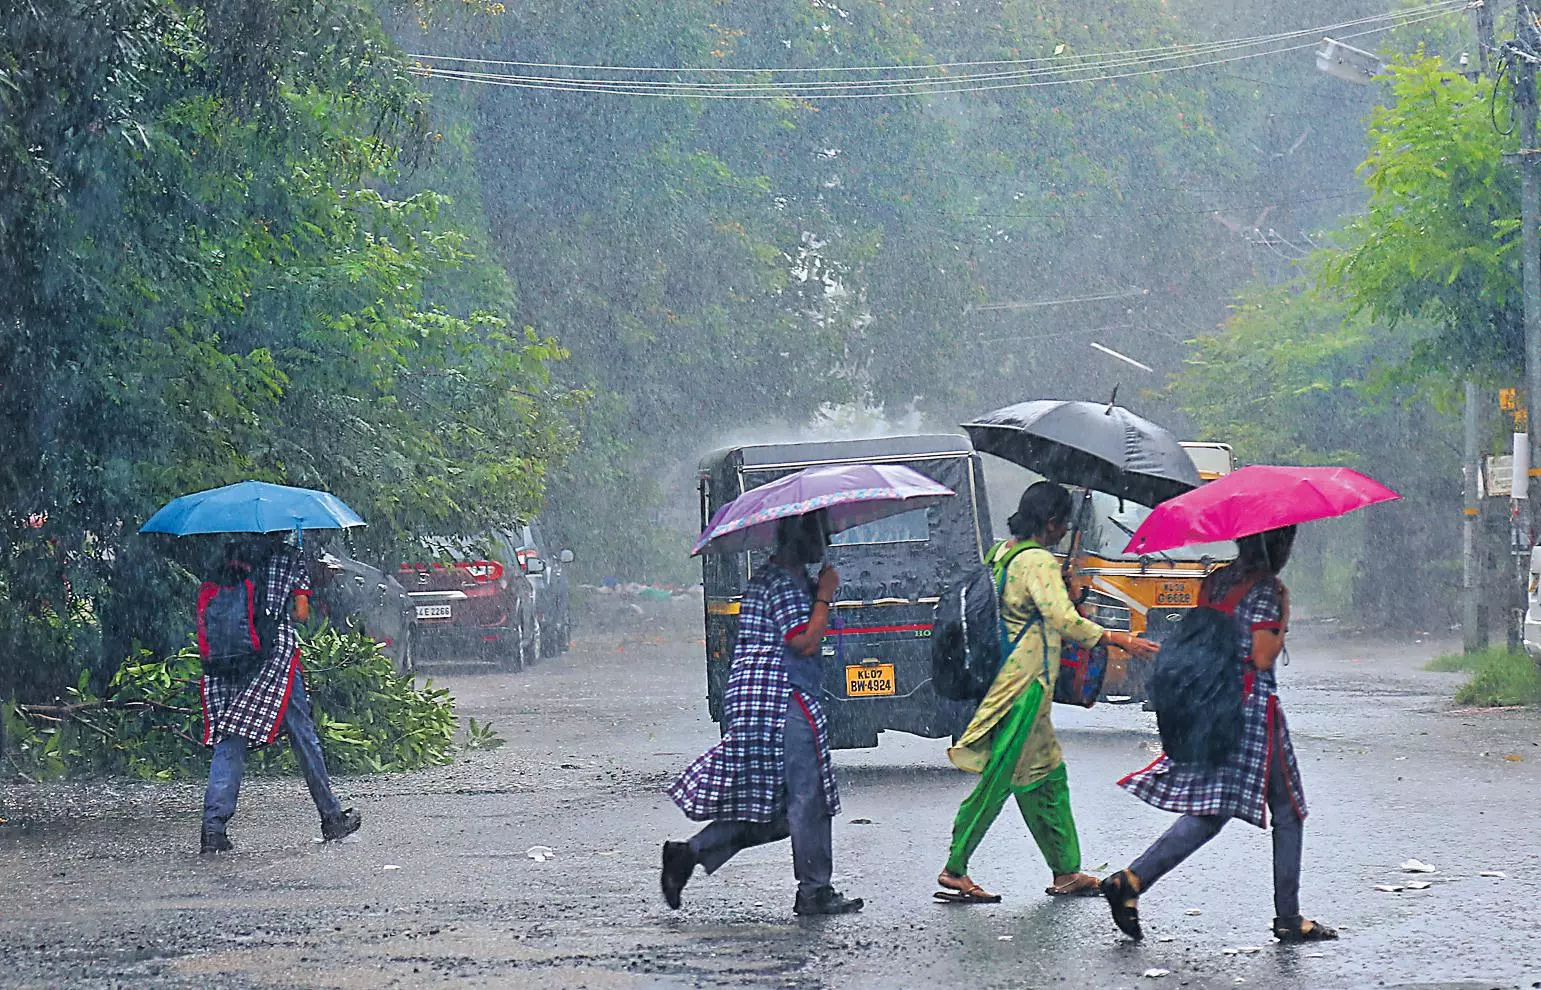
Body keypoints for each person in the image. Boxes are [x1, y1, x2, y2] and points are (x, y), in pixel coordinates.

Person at [1101, 525, 1337, 942]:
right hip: (1251, 708)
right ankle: (1288, 917)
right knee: (1286, 810)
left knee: (1218, 810)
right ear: (1278, 545)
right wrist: (1282, 615)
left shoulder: (1217, 580)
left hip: (1215, 703)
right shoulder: (1267, 590)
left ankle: (1133, 881)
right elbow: (1263, 657)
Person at [937, 482, 1158, 903]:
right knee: (1000, 778)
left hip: (1014, 679)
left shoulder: (1005, 552)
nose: (1063, 532)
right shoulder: (1037, 560)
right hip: (1022, 685)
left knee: (1047, 776)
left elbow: (1032, 607)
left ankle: (1066, 870)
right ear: (1052, 522)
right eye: (1062, 523)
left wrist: (1069, 591)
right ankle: (955, 867)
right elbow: (1064, 621)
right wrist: (1120, 639)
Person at [661, 512, 863, 916]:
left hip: (761, 702)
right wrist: (824, 594)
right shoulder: (784, 584)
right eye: (818, 534)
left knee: (776, 810)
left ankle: (690, 853)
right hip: (780, 701)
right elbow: (803, 641)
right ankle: (814, 892)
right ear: (798, 539)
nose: (824, 542)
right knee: (807, 801)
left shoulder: (775, 580)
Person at [200, 534, 362, 853]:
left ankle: (213, 828)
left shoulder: (225, 557)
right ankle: (331, 816)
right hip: (275, 660)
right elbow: (300, 613)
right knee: (303, 735)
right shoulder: (290, 558)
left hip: (228, 660)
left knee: (230, 738)